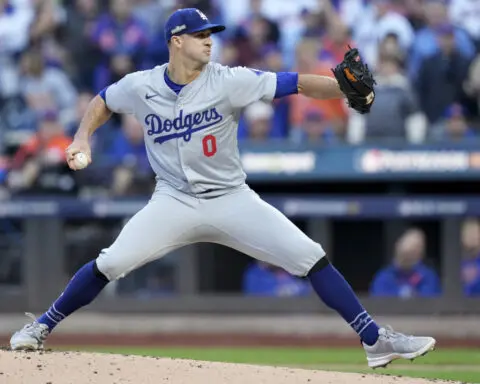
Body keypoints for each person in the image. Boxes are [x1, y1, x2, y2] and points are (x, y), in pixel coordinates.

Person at [10, 8, 436, 369]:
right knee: (111, 262)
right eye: (200, 36)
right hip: (172, 200)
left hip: (231, 198)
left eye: (211, 34)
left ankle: (373, 339)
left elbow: (297, 83)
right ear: (176, 41)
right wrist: (83, 136)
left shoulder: (228, 79)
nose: (210, 42)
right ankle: (42, 324)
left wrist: (345, 88)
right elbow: (102, 100)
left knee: (310, 256)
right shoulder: (142, 85)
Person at [370, 229, 442, 298]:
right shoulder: (383, 276)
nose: (408, 257)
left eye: (414, 251)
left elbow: (431, 302)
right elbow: (378, 301)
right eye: (405, 253)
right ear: (397, 248)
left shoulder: (428, 277)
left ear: (421, 254)